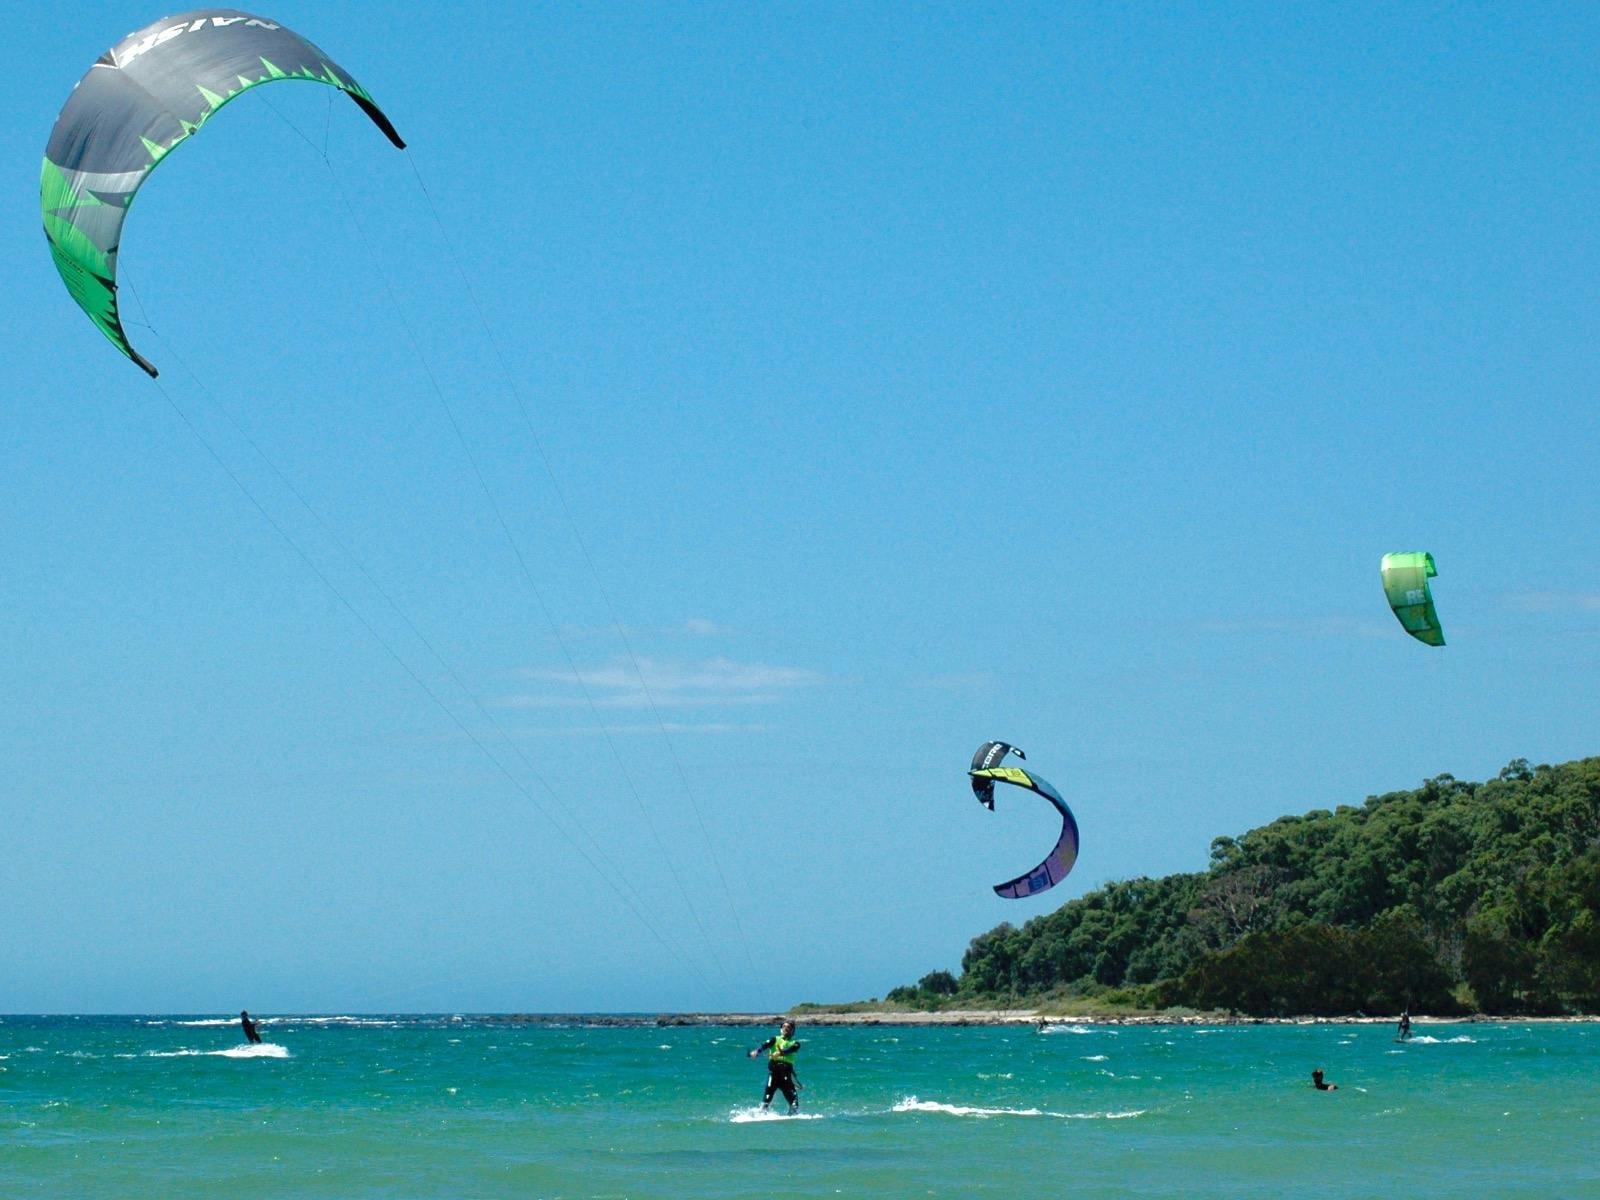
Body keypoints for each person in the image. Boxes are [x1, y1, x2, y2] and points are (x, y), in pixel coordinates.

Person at [748, 1019, 803, 1113]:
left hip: (785, 1073)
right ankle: (762, 1113)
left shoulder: (796, 1044)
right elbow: (764, 1045)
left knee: (793, 1099)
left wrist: (781, 1053)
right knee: (768, 1095)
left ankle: (793, 1114)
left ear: (793, 1031)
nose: (786, 1029)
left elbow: (791, 1050)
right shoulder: (774, 1039)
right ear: (781, 1029)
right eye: (784, 1027)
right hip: (774, 1072)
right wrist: (756, 1052)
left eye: (789, 1027)